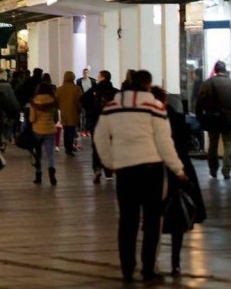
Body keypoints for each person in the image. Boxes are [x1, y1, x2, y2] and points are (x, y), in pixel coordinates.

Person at [95, 69, 187, 283]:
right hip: (151, 169)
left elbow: (99, 137)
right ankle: (148, 270)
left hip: (125, 170)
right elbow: (164, 142)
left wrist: (110, 163)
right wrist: (178, 169)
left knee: (128, 220)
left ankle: (127, 269)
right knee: (153, 220)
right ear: (147, 85)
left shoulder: (112, 107)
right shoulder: (155, 107)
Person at [151, 86, 206, 276]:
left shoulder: (148, 119)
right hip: (179, 169)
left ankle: (152, 260)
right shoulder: (177, 118)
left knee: (154, 217)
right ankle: (175, 262)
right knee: (178, 217)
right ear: (164, 99)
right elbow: (183, 144)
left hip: (156, 170)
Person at [195, 60, 231, 180]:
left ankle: (213, 170)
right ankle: (226, 171)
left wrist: (200, 118)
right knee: (228, 144)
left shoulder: (207, 84)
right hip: (228, 118)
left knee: (212, 144)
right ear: (225, 70)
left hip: (212, 118)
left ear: (215, 70)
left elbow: (199, 103)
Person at [82, 70, 117, 183]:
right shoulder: (115, 92)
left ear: (103, 78)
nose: (97, 78)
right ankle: (108, 170)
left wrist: (90, 111)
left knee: (96, 147)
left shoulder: (94, 90)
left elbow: (83, 100)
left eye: (99, 76)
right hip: (111, 124)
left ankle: (97, 169)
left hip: (96, 123)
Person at [29, 82, 59, 185]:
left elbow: (32, 119)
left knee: (38, 154)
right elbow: (56, 118)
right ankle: (51, 172)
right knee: (50, 154)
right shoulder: (53, 100)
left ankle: (38, 175)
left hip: (37, 130)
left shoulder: (34, 101)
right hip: (50, 130)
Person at [56, 71, 82, 156]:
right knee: (71, 131)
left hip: (64, 113)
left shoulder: (60, 89)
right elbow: (80, 101)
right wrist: (80, 110)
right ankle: (69, 148)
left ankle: (67, 147)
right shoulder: (76, 88)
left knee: (66, 130)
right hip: (73, 112)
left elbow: (56, 101)